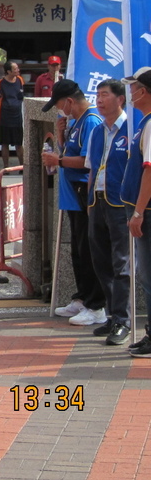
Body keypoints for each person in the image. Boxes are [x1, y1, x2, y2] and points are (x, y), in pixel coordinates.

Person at [39, 79, 105, 327]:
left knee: (90, 251)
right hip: (73, 195)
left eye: (58, 104)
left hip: (85, 193)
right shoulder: (76, 122)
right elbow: (70, 153)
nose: (59, 110)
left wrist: (59, 160)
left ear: (69, 101)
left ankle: (96, 303)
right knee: (78, 250)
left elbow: (89, 160)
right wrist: (59, 135)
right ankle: (82, 297)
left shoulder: (91, 121)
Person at [84, 79, 130, 347]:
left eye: (104, 95)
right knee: (101, 261)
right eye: (97, 95)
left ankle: (123, 320)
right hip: (98, 202)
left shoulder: (131, 129)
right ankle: (113, 315)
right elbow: (92, 169)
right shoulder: (98, 131)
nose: (99, 100)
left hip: (119, 204)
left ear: (120, 99)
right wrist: (91, 202)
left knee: (121, 263)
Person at [123, 67, 151, 357]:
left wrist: (139, 212)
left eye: (133, 87)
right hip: (146, 211)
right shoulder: (146, 122)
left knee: (149, 277)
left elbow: (149, 171)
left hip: (148, 212)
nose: (130, 93)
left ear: (144, 91)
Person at [0, 61, 24, 169]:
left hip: (17, 117)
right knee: (4, 143)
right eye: (15, 69)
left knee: (19, 144)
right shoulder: (0, 83)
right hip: (3, 118)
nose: (18, 70)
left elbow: (20, 96)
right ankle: (6, 167)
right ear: (8, 71)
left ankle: (21, 167)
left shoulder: (20, 80)